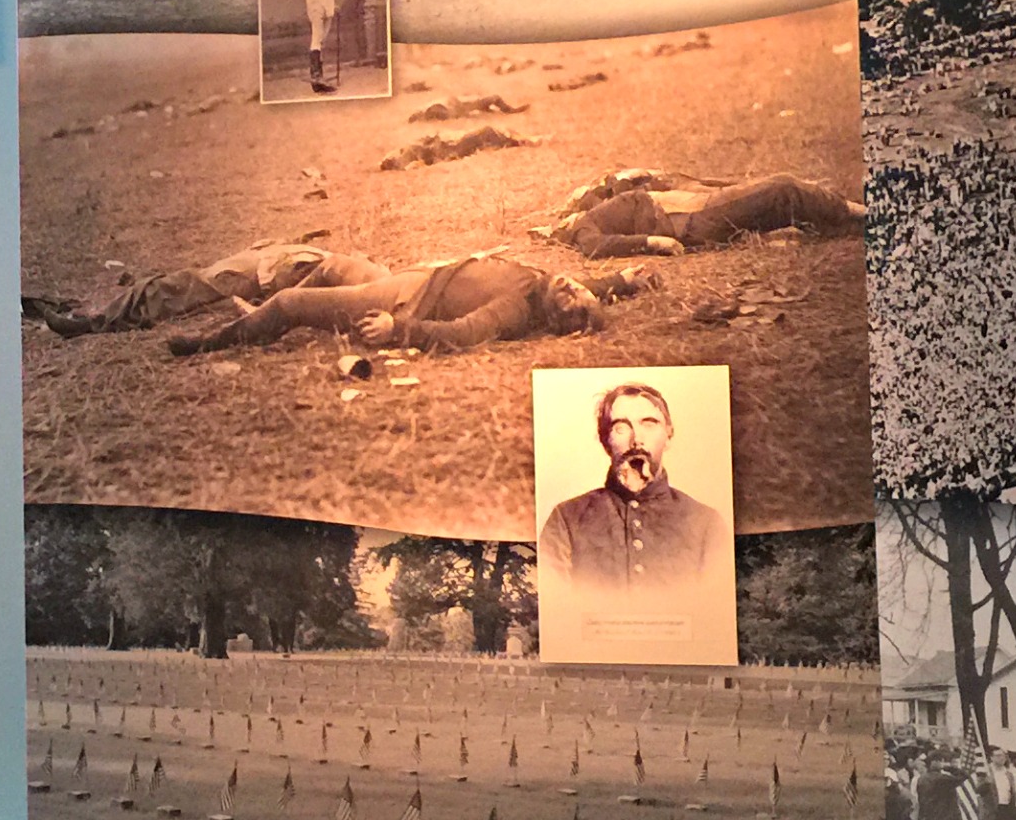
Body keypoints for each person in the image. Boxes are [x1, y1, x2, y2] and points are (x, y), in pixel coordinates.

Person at [168, 254, 599, 356]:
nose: (570, 283)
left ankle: (209, 343)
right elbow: (589, 286)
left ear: (561, 319)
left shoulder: (519, 308)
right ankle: (261, 319)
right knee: (337, 264)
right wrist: (623, 280)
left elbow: (463, 333)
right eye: (578, 286)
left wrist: (398, 330)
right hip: (414, 279)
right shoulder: (543, 284)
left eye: (572, 295)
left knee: (288, 302)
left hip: (403, 301)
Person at [535, 382, 723, 600]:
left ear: (669, 435)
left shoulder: (706, 524)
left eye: (649, 424)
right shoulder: (566, 520)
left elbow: (714, 613)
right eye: (621, 427)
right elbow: (556, 611)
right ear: (606, 441)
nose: (636, 440)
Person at [26, 242, 385, 336]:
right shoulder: (376, 277)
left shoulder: (366, 286)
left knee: (170, 289)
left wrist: (268, 306)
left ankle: (90, 322)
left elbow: (308, 290)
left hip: (264, 274)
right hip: (272, 262)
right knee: (174, 284)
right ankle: (86, 313)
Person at [558, 175, 865, 258]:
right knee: (781, 187)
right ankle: (859, 213)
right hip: (686, 218)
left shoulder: (601, 207)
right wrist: (652, 241)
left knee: (771, 199)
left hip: (690, 209)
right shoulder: (583, 227)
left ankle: (839, 220)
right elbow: (594, 247)